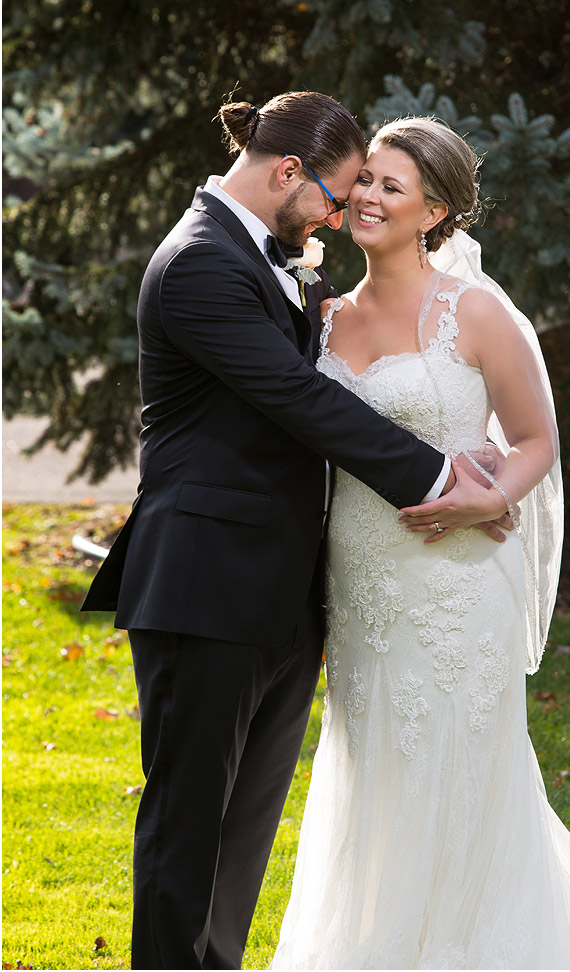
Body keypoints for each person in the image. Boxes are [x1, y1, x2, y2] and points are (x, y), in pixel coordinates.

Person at [81, 92, 507, 971]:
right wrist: (438, 478)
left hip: (282, 593)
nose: (337, 215)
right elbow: (296, 397)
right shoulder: (200, 261)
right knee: (188, 827)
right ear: (286, 171)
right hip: (204, 582)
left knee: (242, 840)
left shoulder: (272, 257)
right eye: (333, 194)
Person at [271, 117, 570, 969]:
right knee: (375, 771)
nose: (368, 196)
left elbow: (534, 440)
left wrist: (479, 498)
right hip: (362, 582)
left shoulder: (474, 312)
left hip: (455, 580)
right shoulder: (325, 316)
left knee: (458, 773)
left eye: (392, 186)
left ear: (436, 212)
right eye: (366, 179)